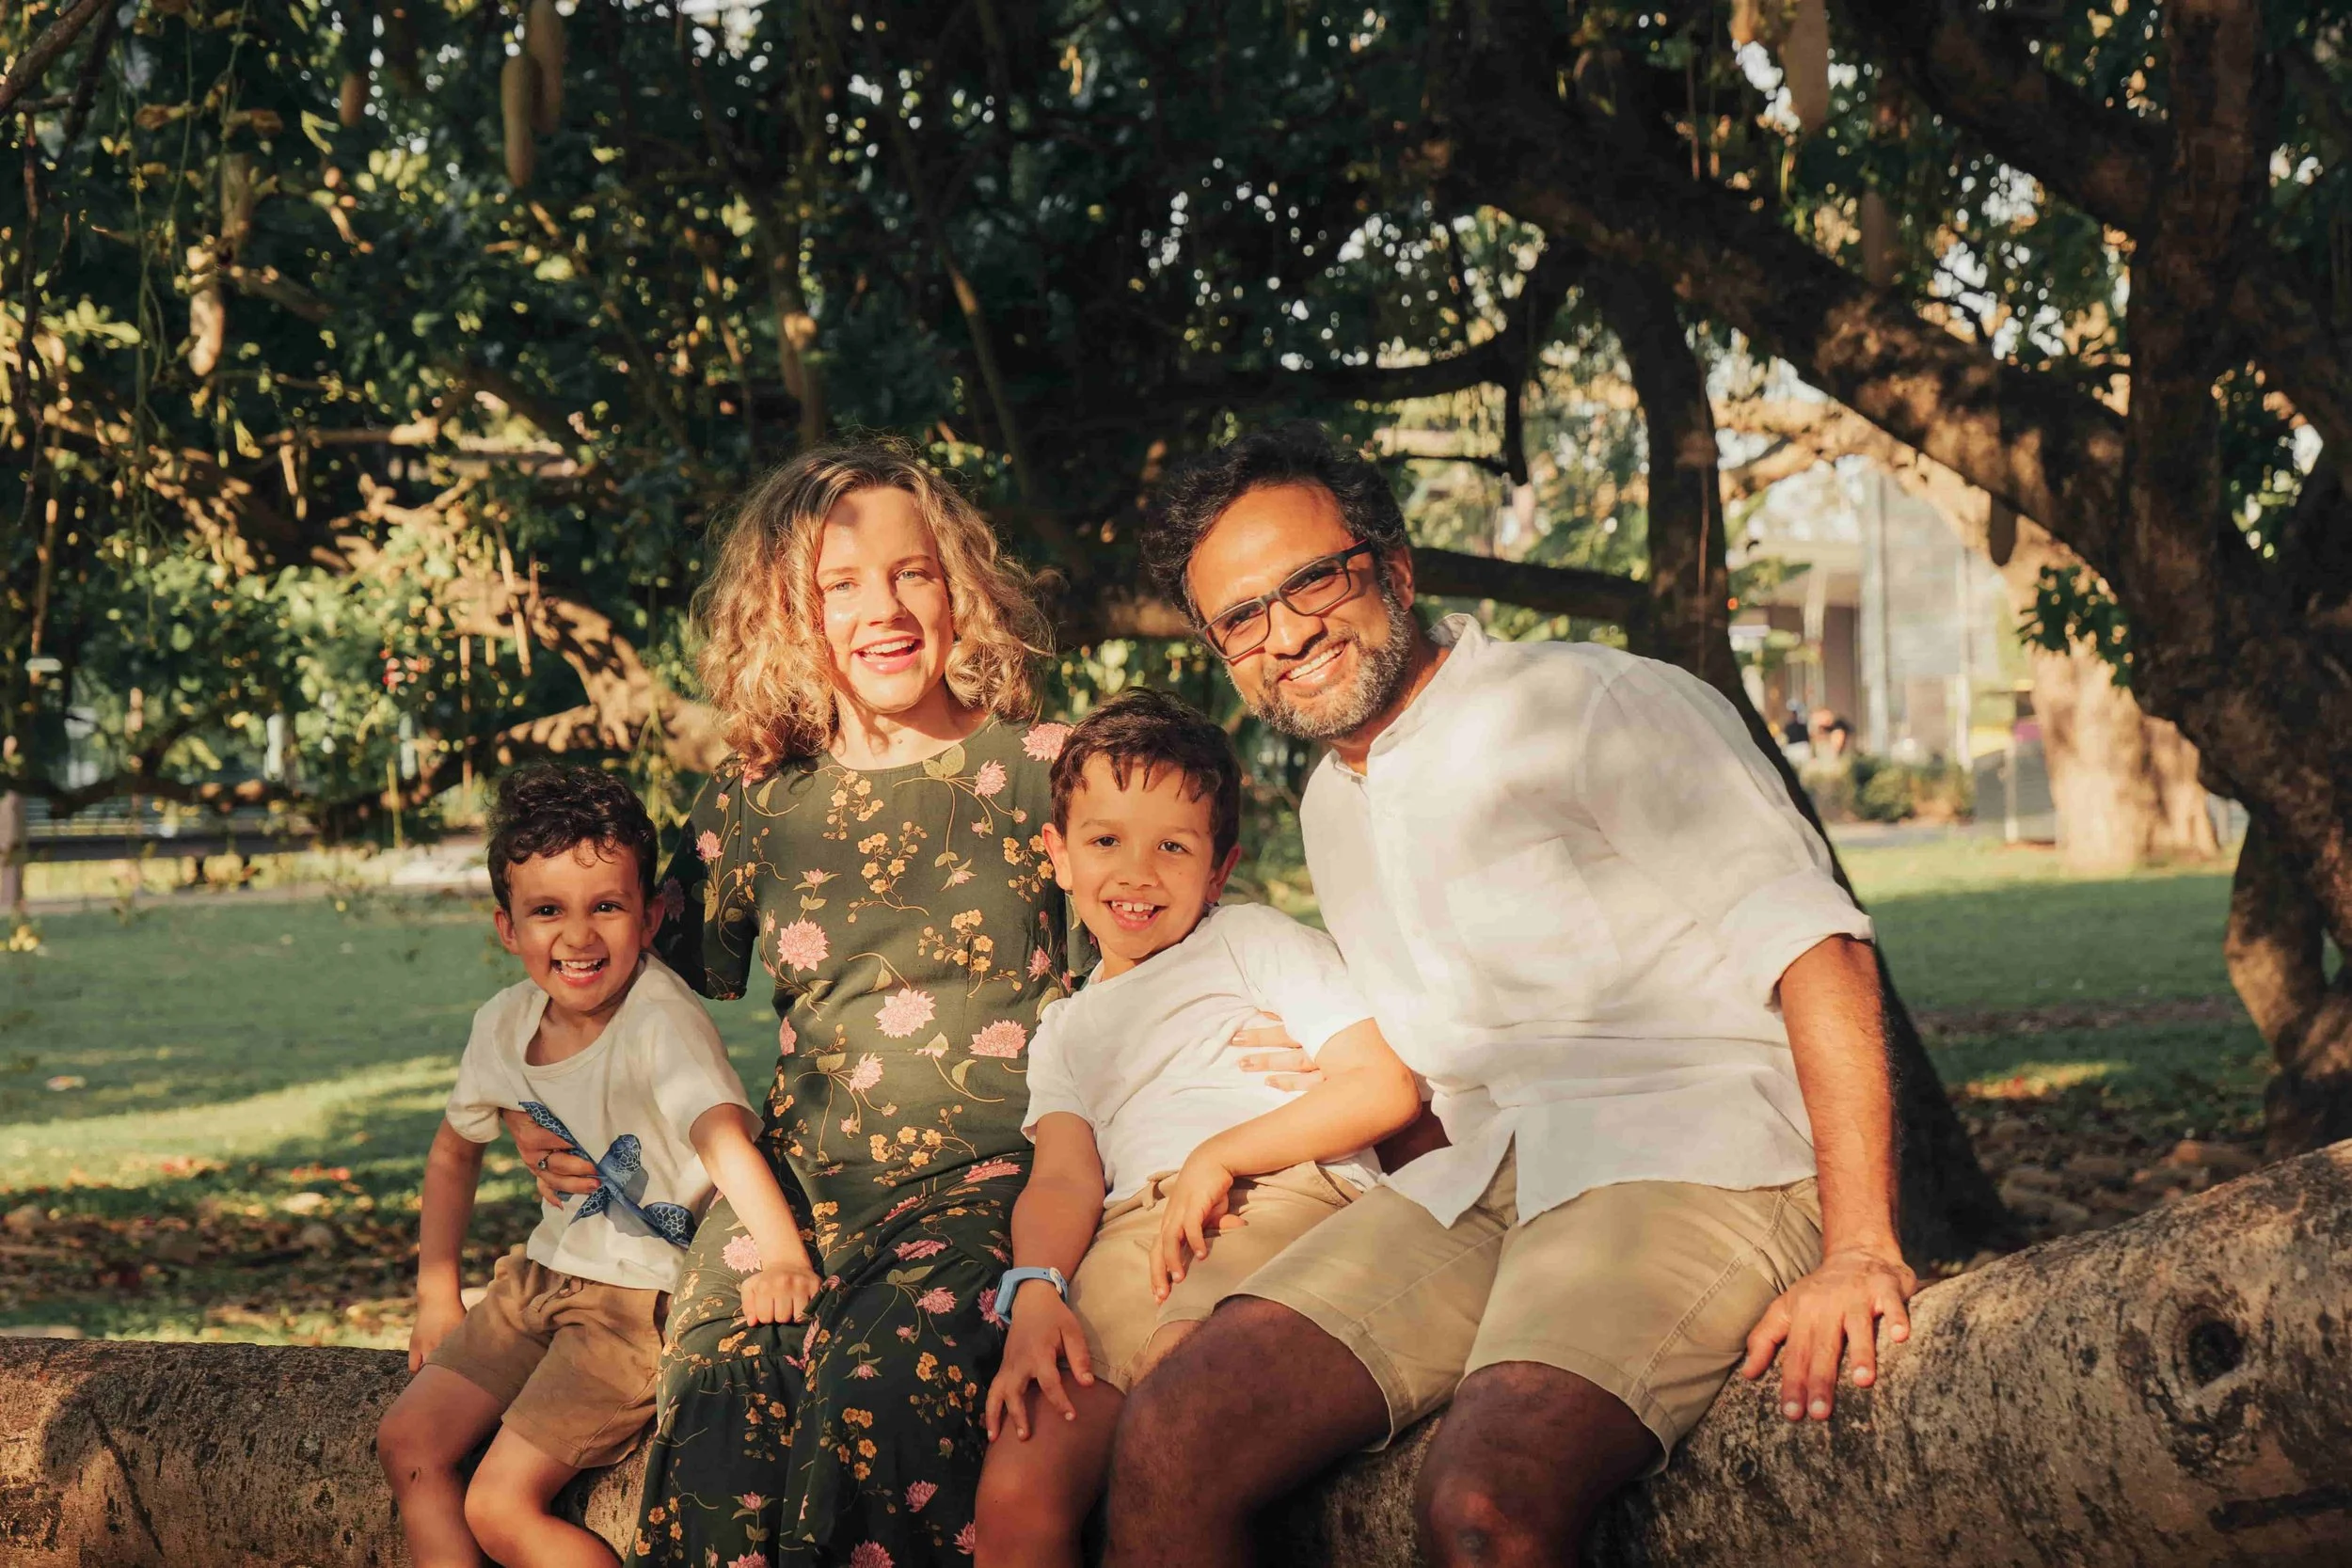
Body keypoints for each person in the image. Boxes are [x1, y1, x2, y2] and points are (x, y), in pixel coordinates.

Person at [1106, 422, 1916, 1567]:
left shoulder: (1594, 704)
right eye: (1241, 617)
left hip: (1699, 1156)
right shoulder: (1333, 804)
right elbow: (1448, 1070)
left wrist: (1861, 1247)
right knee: (1174, 1428)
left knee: (1483, 1505)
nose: (1285, 634)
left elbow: (1816, 947)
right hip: (1484, 1180)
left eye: (1310, 580)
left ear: (1391, 567)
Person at [501, 441, 1081, 1566]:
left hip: (989, 1177)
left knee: (885, 1392)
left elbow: (1160, 948)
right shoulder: (762, 801)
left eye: (914, 573)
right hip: (797, 1184)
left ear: (959, 585)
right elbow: (611, 968)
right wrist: (547, 1114)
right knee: (716, 1383)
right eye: (840, 585)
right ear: (787, 613)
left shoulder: (1046, 770)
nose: (886, 609)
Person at [971, 689, 1421, 1567]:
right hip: (1127, 1243)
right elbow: (1062, 1178)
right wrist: (1034, 1293)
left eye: (1173, 847)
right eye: (1106, 841)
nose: (1137, 874)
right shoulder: (1067, 1028)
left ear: (1219, 869)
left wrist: (1225, 1153)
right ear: (1058, 856)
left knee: (1181, 1402)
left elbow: (1382, 1084)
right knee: (1018, 1485)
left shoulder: (1250, 940)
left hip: (1277, 1197)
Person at [377, 765, 819, 1568]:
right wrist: (437, 1291)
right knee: (408, 1441)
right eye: (547, 911)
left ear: (649, 916)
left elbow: (723, 1137)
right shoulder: (504, 1022)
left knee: (501, 1503)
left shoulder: (660, 1022)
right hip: (538, 1280)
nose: (577, 938)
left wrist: (783, 1255)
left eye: (605, 907)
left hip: (632, 1305)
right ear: (507, 927)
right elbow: (453, 1151)